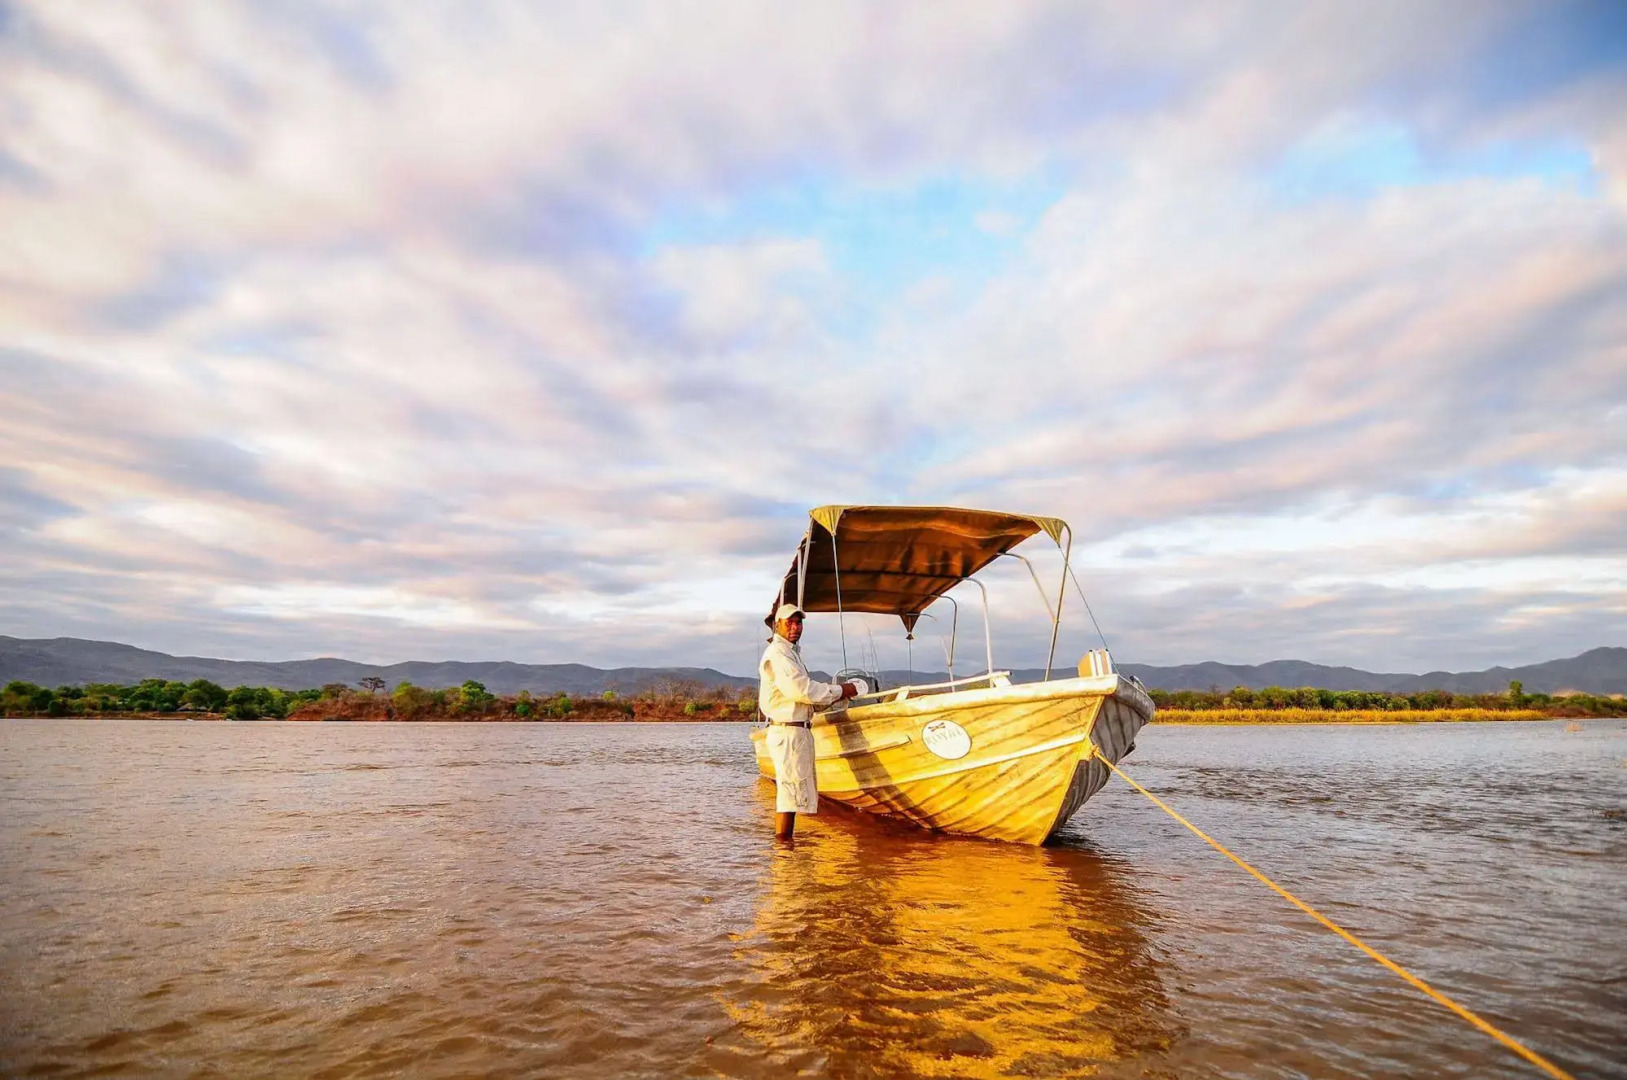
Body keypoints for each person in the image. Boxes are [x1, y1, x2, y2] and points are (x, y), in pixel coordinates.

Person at [758, 603, 860, 841]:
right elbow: (801, 689)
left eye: (799, 622)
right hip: (788, 732)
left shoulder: (791, 653)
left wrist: (837, 696)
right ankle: (783, 848)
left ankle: (787, 850)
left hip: (797, 731)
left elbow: (806, 699)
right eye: (790, 622)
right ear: (777, 625)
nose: (795, 627)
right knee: (789, 795)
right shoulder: (779, 653)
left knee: (792, 793)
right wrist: (842, 689)